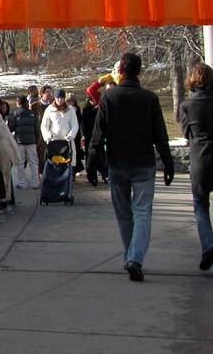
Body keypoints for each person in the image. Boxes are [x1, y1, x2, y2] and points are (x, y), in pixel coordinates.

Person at [89, 52, 174, 282]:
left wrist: (92, 162)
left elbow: (98, 134)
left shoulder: (109, 98)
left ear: (121, 72)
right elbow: (160, 135)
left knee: (124, 215)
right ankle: (135, 259)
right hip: (143, 163)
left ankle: (130, 257)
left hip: (117, 163)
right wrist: (167, 161)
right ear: (139, 72)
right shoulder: (149, 99)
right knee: (143, 212)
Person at [177, 62, 213, 271]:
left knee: (200, 206)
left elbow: (186, 135)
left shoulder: (187, 105)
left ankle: (208, 244)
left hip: (200, 157)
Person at [40, 88, 77, 175]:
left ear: (64, 99)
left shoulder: (70, 110)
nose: (59, 100)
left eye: (61, 98)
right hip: (54, 141)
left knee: (67, 160)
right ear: (55, 98)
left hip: (67, 140)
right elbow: (44, 125)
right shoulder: (50, 109)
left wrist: (71, 134)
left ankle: (68, 177)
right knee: (53, 161)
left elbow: (75, 124)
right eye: (57, 98)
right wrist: (47, 136)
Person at [9, 94, 40, 189]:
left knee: (20, 163)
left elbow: (11, 128)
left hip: (19, 141)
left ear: (18, 103)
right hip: (31, 141)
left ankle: (22, 183)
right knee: (33, 163)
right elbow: (37, 129)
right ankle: (35, 182)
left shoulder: (14, 114)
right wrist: (37, 140)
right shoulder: (33, 114)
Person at [65, 93, 84, 173]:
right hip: (67, 133)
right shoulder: (65, 109)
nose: (70, 103)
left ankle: (75, 169)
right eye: (69, 101)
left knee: (76, 151)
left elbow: (79, 122)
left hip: (76, 133)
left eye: (72, 101)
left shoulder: (77, 109)